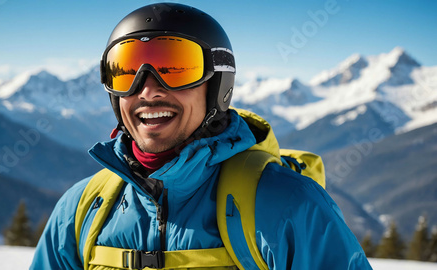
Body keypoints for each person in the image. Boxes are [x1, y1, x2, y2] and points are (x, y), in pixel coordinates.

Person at [31, 3, 372, 269]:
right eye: (127, 72)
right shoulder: (81, 211)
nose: (147, 90)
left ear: (218, 86)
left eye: (174, 68)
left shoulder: (290, 206)